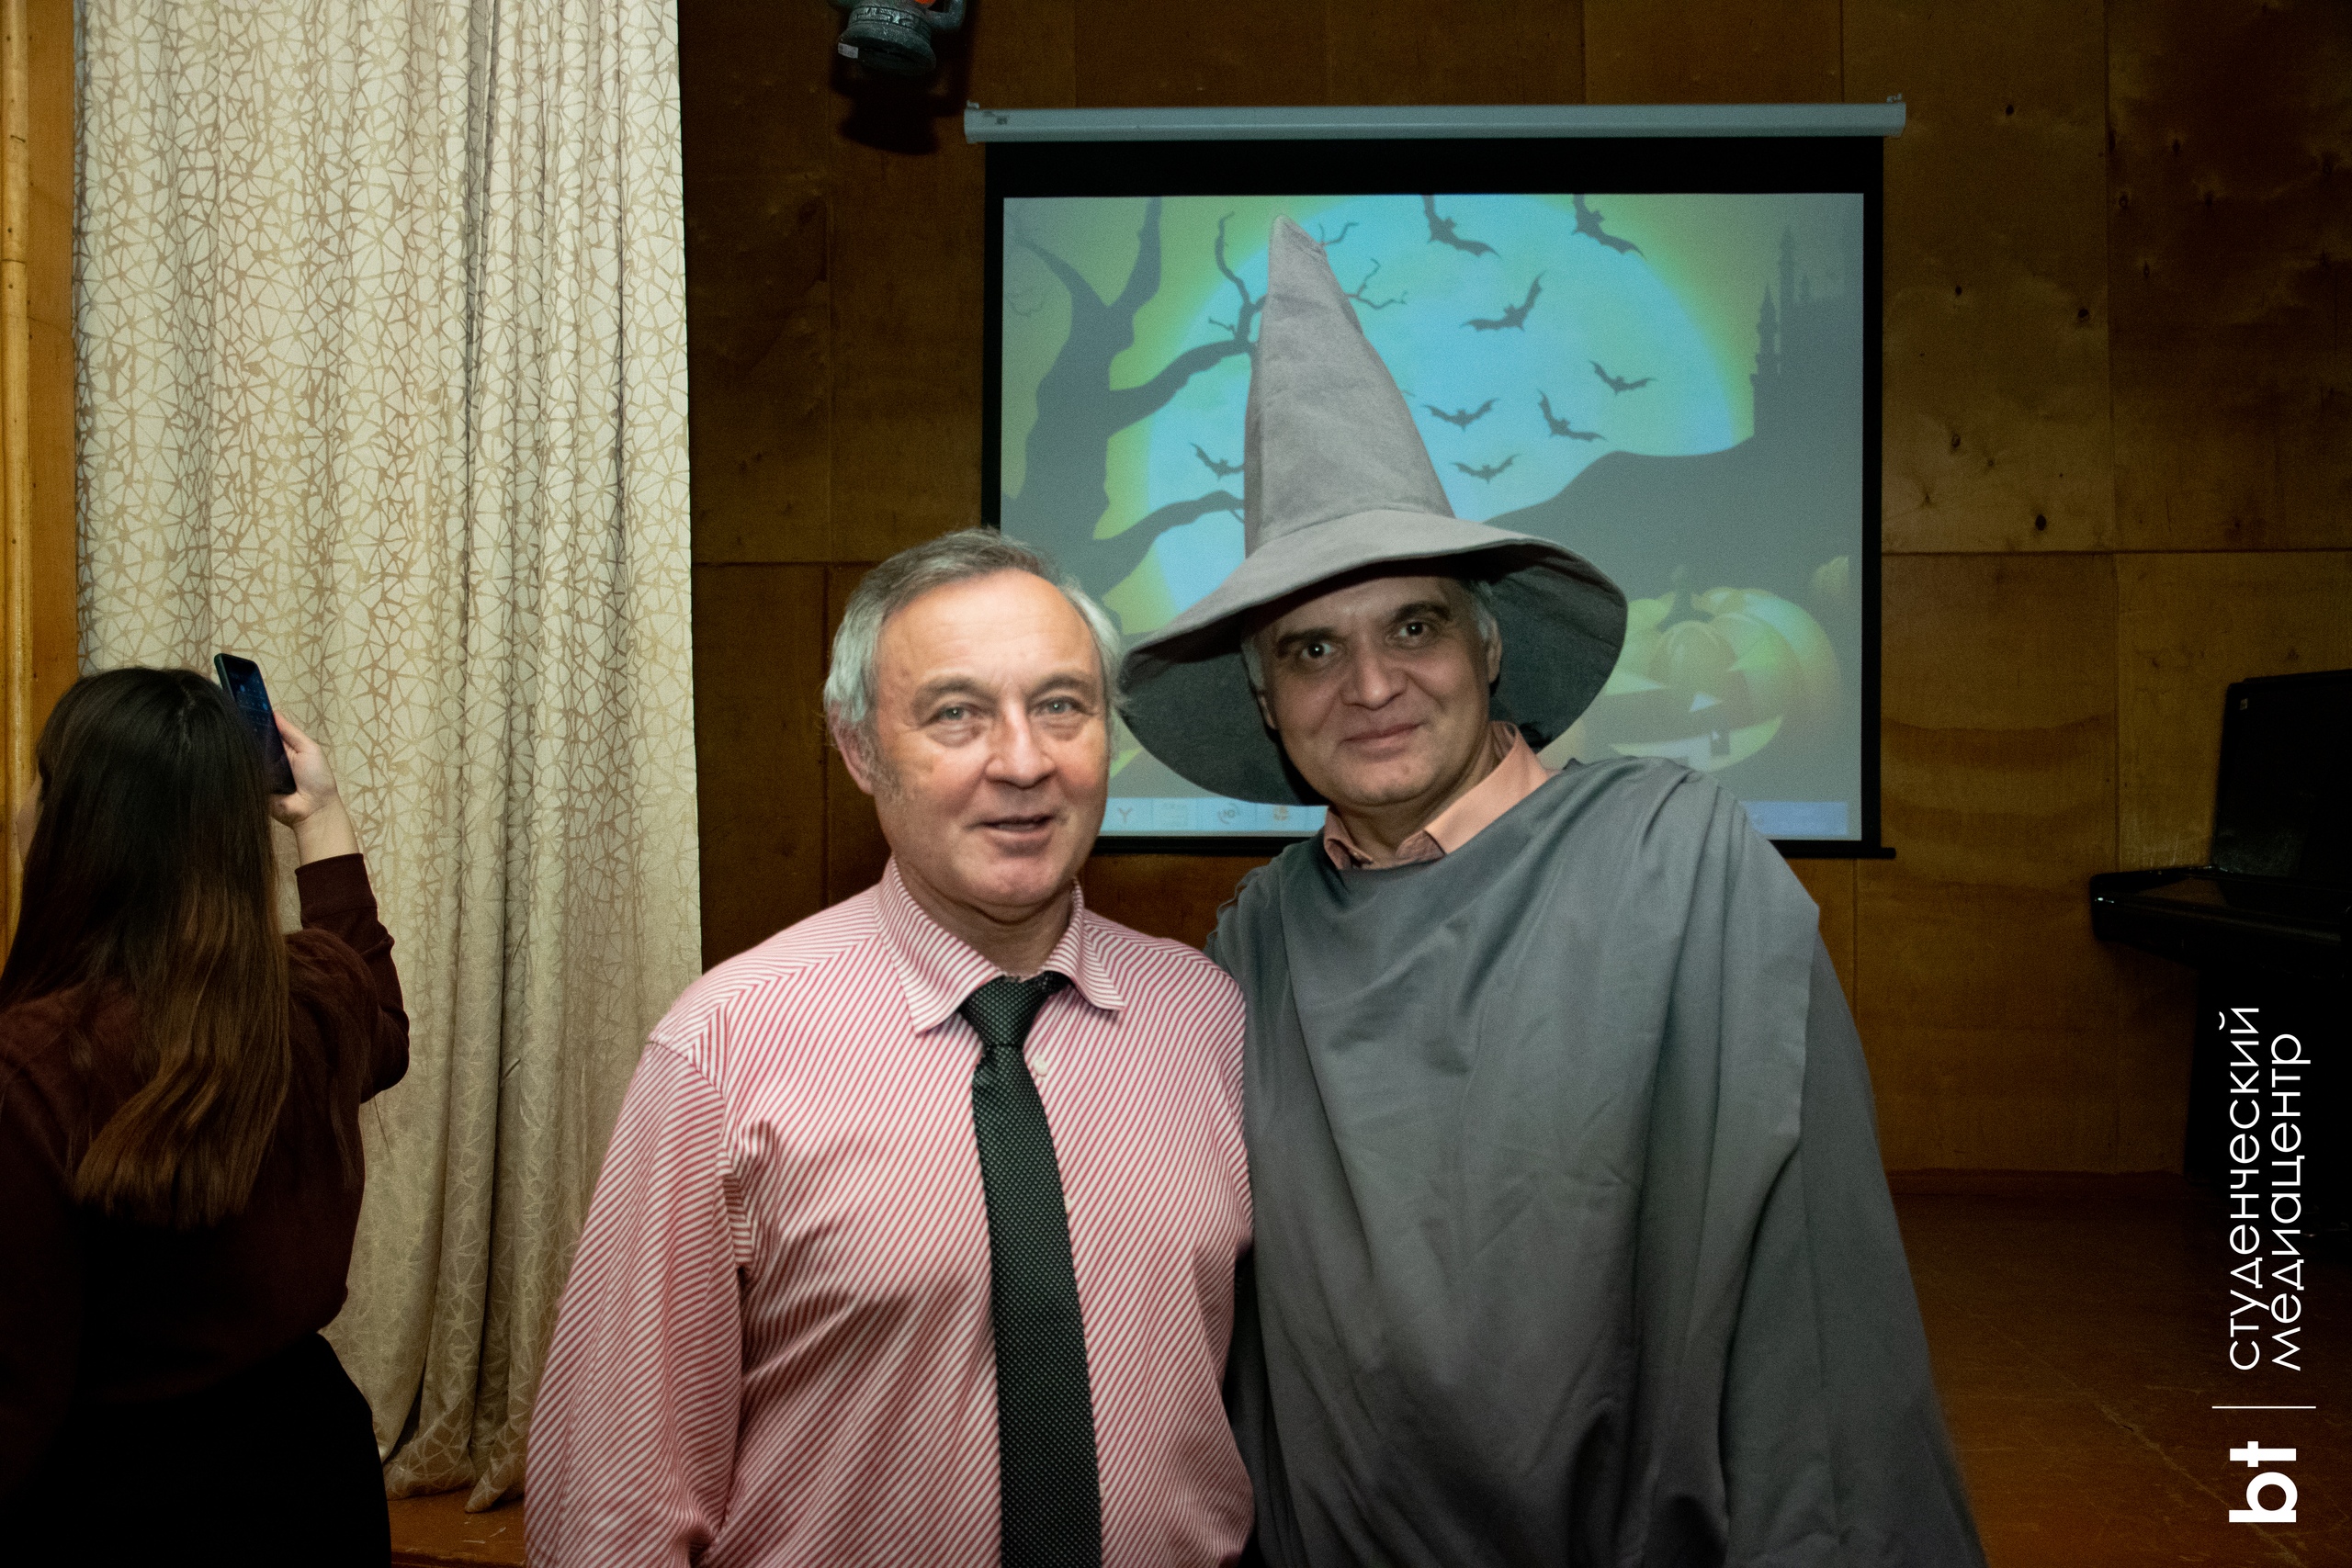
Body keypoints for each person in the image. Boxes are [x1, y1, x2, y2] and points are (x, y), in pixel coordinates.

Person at [1119, 219, 1985, 1566]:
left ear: (1488, 645)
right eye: (1311, 649)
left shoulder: (1678, 869)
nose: (1371, 684)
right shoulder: (1260, 942)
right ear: (1266, 702)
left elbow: (1812, 1310)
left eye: (1413, 625)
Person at [530, 530, 1253, 1568]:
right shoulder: (723, 1050)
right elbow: (616, 1498)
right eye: (957, 713)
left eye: (1062, 705)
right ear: (860, 748)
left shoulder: (1206, 1023)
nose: (1023, 761)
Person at [0, 667, 409, 1566]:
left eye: (36, 779)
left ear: (74, 824)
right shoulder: (312, 998)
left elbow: (16, 1394)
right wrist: (320, 816)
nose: (17, 805)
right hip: (315, 1471)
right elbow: (384, 1026)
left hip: (117, 1507)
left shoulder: (29, 1068)